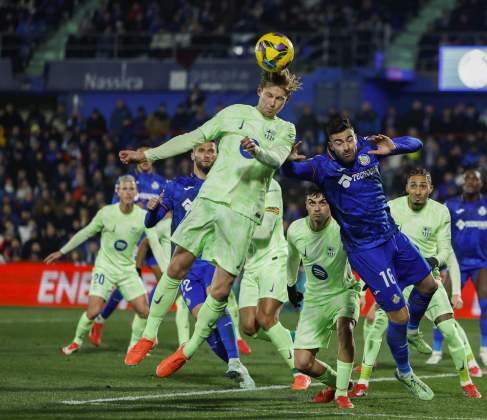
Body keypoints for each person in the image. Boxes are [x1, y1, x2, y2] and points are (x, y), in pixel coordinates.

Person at [120, 70, 301, 373]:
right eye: (269, 95)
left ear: (285, 102)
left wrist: (258, 151)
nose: (273, 103)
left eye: (280, 99)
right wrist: (148, 154)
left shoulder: (286, 129)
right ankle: (149, 335)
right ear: (259, 91)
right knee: (177, 264)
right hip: (210, 200)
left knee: (221, 288)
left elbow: (277, 160)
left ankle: (188, 348)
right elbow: (193, 137)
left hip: (243, 212)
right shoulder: (232, 114)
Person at [281, 116, 438, 400]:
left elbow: (416, 143)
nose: (347, 146)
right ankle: (404, 371)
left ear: (355, 136)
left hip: (392, 235)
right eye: (339, 142)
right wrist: (286, 159)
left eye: (350, 139)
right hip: (366, 250)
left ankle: (414, 329)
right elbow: (290, 170)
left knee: (429, 286)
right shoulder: (321, 167)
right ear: (330, 144)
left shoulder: (368, 148)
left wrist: (393, 148)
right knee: (398, 314)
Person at [351, 169, 482, 399]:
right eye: (414, 186)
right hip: (397, 278)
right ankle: (362, 383)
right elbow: (376, 244)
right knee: (376, 327)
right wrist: (369, 276)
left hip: (427, 277)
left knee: (450, 329)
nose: (418, 191)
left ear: (430, 189)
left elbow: (445, 251)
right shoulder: (391, 207)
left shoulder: (441, 212)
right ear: (406, 187)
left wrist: (430, 262)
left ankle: (466, 381)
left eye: (423, 186)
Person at [144, 141, 254, 388]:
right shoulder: (176, 186)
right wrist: (151, 210)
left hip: (214, 258)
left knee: (214, 308)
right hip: (185, 265)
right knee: (204, 321)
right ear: (192, 154)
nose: (206, 154)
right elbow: (151, 222)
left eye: (211, 150)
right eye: (202, 150)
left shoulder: (227, 185)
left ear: (217, 155)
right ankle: (239, 369)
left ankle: (235, 361)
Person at [44, 175, 168, 355]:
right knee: (93, 311)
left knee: (144, 311)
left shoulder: (143, 216)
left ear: (136, 193)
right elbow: (86, 232)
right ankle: (76, 342)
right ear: (117, 191)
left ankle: (133, 346)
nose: (128, 192)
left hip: (127, 269)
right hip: (105, 267)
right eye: (124, 188)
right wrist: (62, 252)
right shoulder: (106, 213)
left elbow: (155, 243)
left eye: (131, 189)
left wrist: (165, 269)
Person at [89, 146, 186, 347]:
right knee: (124, 285)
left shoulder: (160, 183)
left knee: (165, 281)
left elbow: (168, 208)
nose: (145, 160)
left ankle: (146, 325)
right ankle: (100, 320)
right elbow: (117, 207)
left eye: (148, 156)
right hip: (133, 240)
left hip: (154, 239)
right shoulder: (128, 181)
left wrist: (165, 213)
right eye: (141, 156)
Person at [288, 187, 361, 409]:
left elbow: (361, 254)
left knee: (344, 328)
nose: (317, 208)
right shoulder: (295, 230)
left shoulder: (342, 228)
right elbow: (292, 258)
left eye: (323, 203)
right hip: (315, 297)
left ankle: (341, 394)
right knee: (302, 362)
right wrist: (291, 286)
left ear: (331, 205)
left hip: (344, 292)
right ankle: (342, 383)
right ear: (306, 205)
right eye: (312, 203)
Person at [236, 178, 311, 390]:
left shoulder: (271, 186)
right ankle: (291, 339)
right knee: (249, 327)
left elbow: (265, 231)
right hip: (250, 267)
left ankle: (300, 372)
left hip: (274, 260)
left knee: (266, 318)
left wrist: (233, 229)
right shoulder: (235, 187)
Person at [444, 168, 487, 366]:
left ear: (480, 183)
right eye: (467, 178)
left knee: (486, 306)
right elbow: (442, 233)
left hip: (482, 264)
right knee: (443, 306)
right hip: (456, 264)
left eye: (475, 178)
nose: (470, 181)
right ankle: (437, 350)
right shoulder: (449, 205)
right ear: (462, 182)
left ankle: (485, 350)